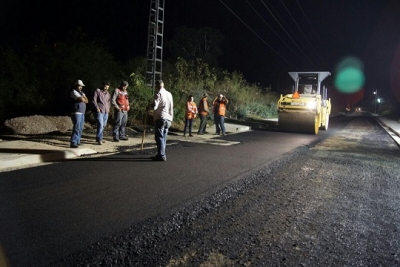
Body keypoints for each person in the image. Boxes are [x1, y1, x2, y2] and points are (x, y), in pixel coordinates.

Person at [151, 80, 173, 161]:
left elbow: (155, 106)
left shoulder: (158, 94)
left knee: (159, 137)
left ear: (157, 86)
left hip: (160, 117)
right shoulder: (169, 94)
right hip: (168, 118)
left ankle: (161, 155)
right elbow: (171, 106)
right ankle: (161, 154)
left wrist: (149, 106)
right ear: (163, 85)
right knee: (163, 137)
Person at [70, 80, 88, 148]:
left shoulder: (82, 93)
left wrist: (83, 99)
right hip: (76, 111)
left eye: (81, 86)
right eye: (79, 86)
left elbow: (87, 100)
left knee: (80, 128)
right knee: (76, 127)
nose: (80, 87)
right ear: (76, 85)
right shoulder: (73, 92)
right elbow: (83, 100)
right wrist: (83, 99)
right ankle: (73, 142)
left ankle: (78, 141)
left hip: (82, 112)